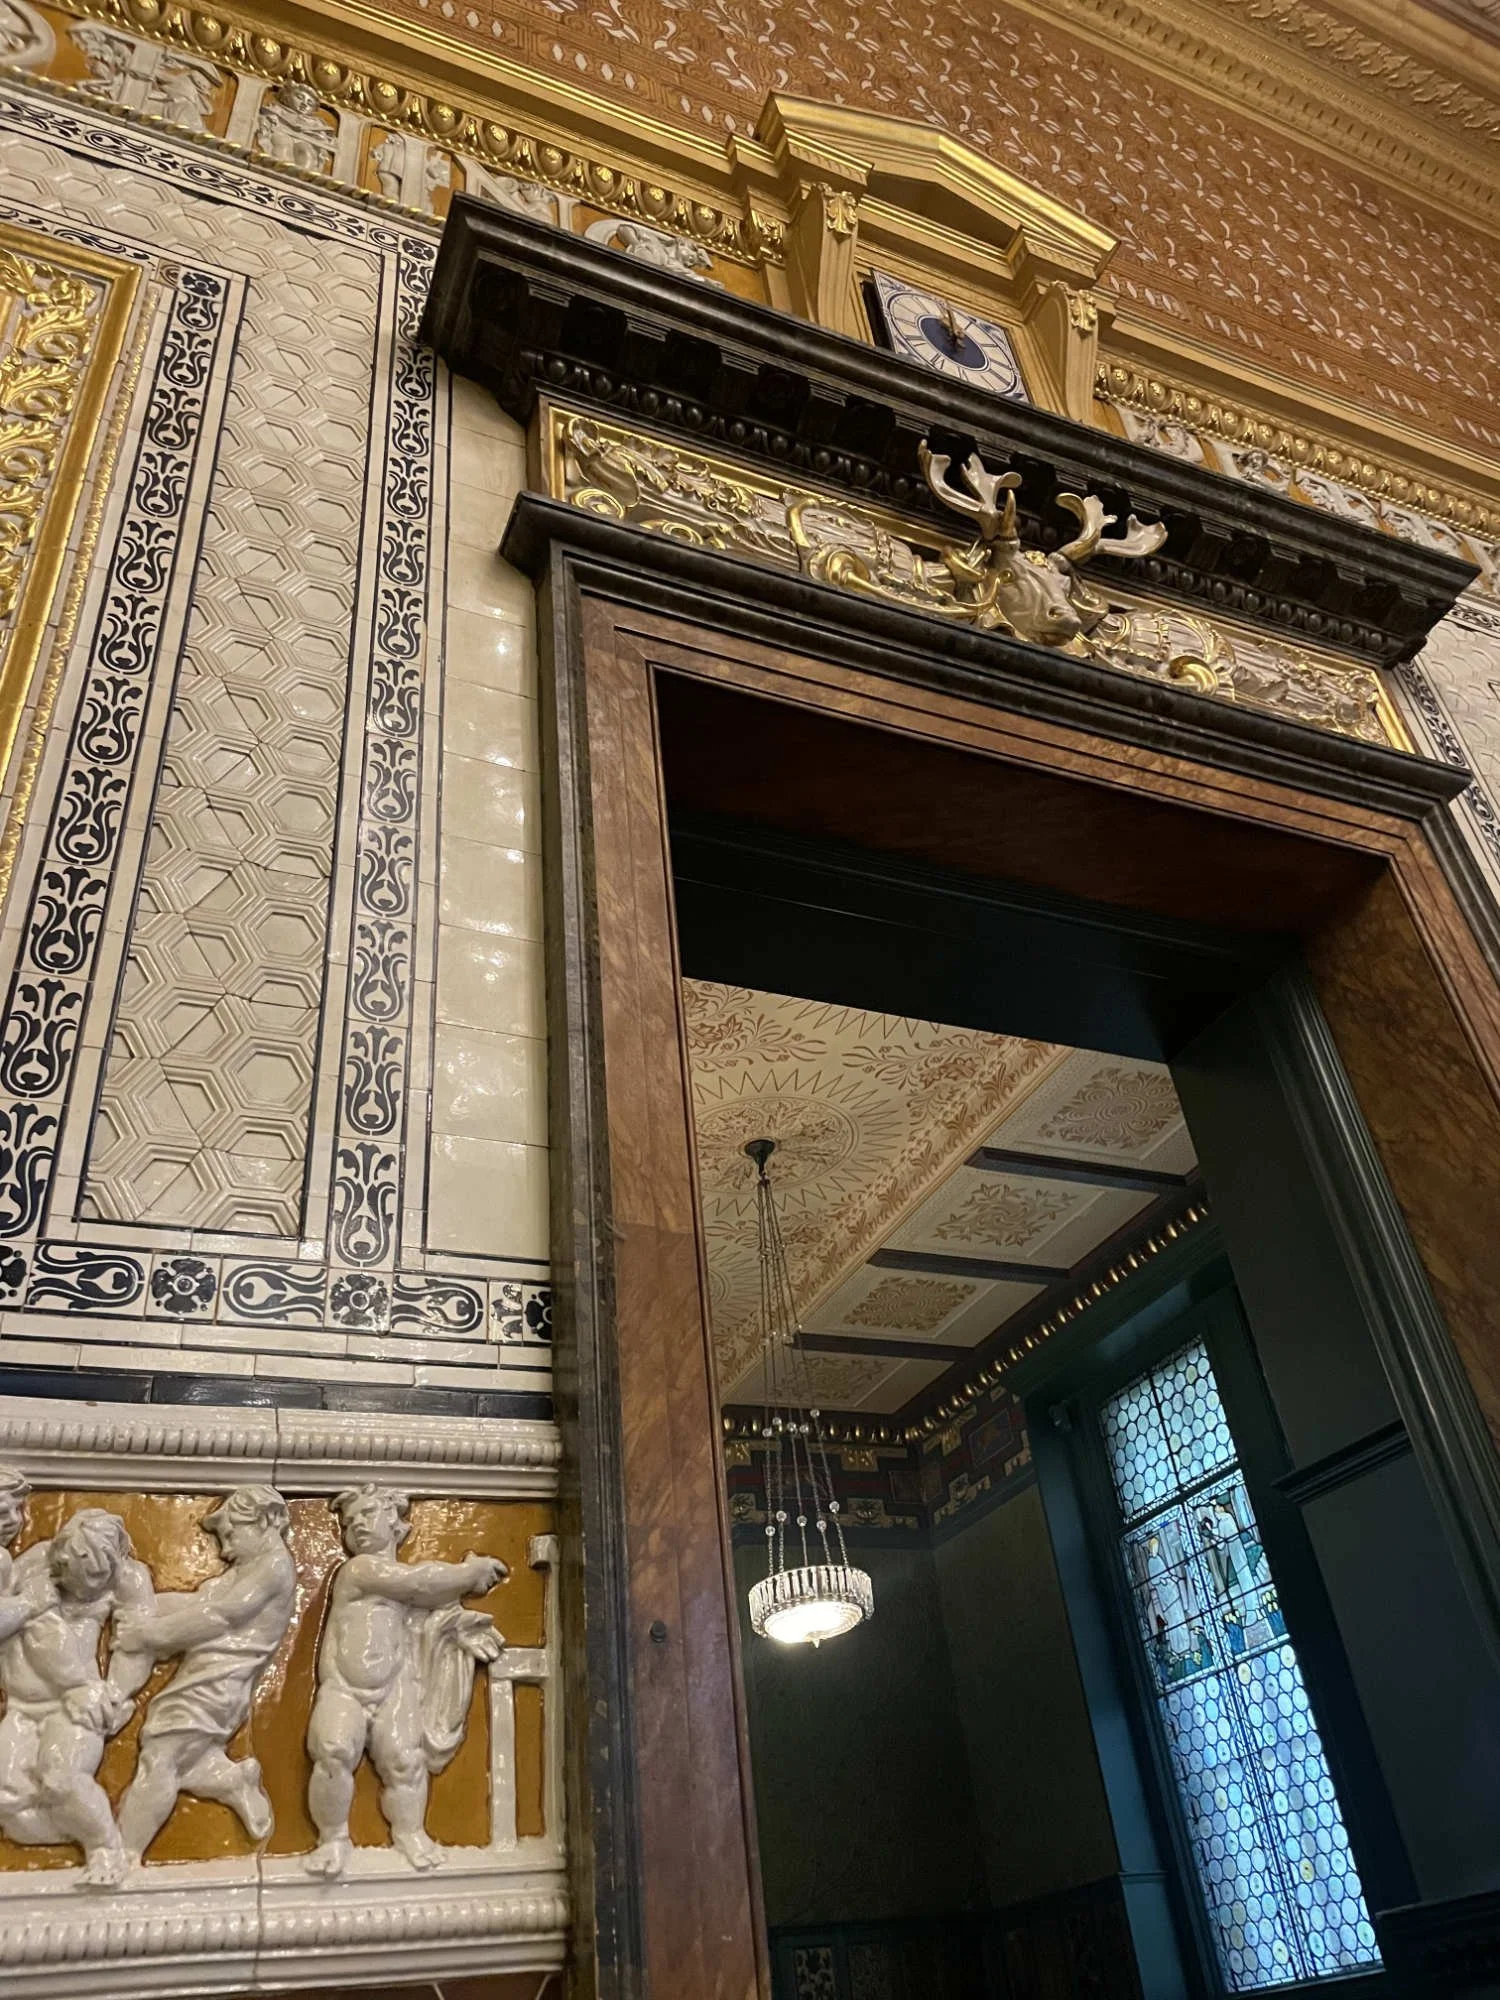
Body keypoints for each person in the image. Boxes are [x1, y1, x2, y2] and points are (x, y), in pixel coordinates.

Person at [304, 1485, 506, 1877]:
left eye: (367, 1515)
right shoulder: (359, 1569)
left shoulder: (397, 1580)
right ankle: (331, 1839)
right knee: (332, 1753)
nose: (357, 1527)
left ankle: (410, 1834)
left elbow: (426, 1608)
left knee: (406, 1763)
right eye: (350, 1522)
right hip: (345, 1688)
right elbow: (418, 1584)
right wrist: (469, 1573)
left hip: (394, 1685)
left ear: (396, 1525)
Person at [113, 1486, 295, 1868]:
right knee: (181, 1758)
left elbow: (220, 1617)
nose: (224, 1548)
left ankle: (123, 1857)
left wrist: (150, 1634)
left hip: (217, 1685)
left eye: (231, 1534)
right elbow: (199, 1605)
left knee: (160, 1759)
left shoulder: (273, 1567)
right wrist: (146, 1610)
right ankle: (233, 1781)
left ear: (262, 1523)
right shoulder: (245, 1569)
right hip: (204, 1677)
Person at [0, 1510, 154, 1886]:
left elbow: (137, 1646)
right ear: (60, 1555)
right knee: (6, 1798)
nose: (84, 1587)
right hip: (23, 1704)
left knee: (61, 1777)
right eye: (74, 1573)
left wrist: (113, 1696)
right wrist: (28, 1605)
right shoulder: (37, 1563)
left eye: (98, 1578)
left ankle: (104, 1846)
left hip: (76, 1702)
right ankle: (68, 1828)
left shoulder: (130, 1579)